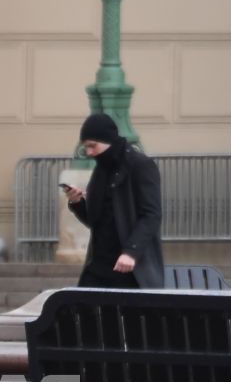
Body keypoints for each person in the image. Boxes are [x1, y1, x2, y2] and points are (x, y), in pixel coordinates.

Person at [63, 112, 165, 289]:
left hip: (130, 269)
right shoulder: (101, 171)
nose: (89, 152)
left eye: (93, 146)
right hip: (98, 265)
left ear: (108, 140)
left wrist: (131, 252)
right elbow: (96, 220)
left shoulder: (140, 165)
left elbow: (151, 215)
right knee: (80, 311)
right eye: (85, 147)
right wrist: (77, 203)